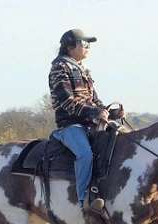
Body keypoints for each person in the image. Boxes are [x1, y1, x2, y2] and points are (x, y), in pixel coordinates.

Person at [48, 28, 122, 214]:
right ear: (70, 46)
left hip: (90, 123)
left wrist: (109, 112)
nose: (88, 48)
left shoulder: (82, 70)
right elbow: (66, 102)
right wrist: (94, 113)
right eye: (85, 44)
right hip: (70, 125)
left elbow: (95, 101)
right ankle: (84, 200)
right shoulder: (59, 68)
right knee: (85, 154)